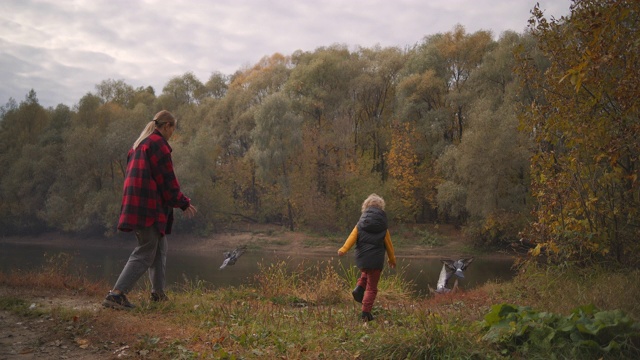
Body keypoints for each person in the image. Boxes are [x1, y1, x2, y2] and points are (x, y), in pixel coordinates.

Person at [103, 110, 197, 310]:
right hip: (148, 207)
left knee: (160, 247)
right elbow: (167, 181)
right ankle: (116, 295)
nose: (172, 133)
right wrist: (183, 202)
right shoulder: (158, 145)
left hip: (135, 204)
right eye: (173, 129)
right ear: (166, 126)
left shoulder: (138, 145)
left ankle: (158, 294)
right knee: (146, 251)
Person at [338, 193, 396, 321]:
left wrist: (343, 249)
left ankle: (359, 288)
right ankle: (365, 313)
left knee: (366, 273)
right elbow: (389, 245)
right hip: (376, 260)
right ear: (381, 208)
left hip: (362, 258)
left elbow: (352, 237)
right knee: (372, 288)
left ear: (365, 207)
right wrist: (392, 259)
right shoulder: (383, 227)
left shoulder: (360, 224)